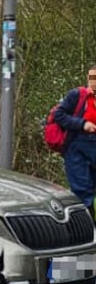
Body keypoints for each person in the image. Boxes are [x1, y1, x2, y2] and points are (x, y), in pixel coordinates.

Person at [54, 65, 96, 210]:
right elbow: (58, 115)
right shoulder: (78, 95)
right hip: (77, 149)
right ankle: (85, 229)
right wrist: (82, 124)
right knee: (82, 193)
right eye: (92, 78)